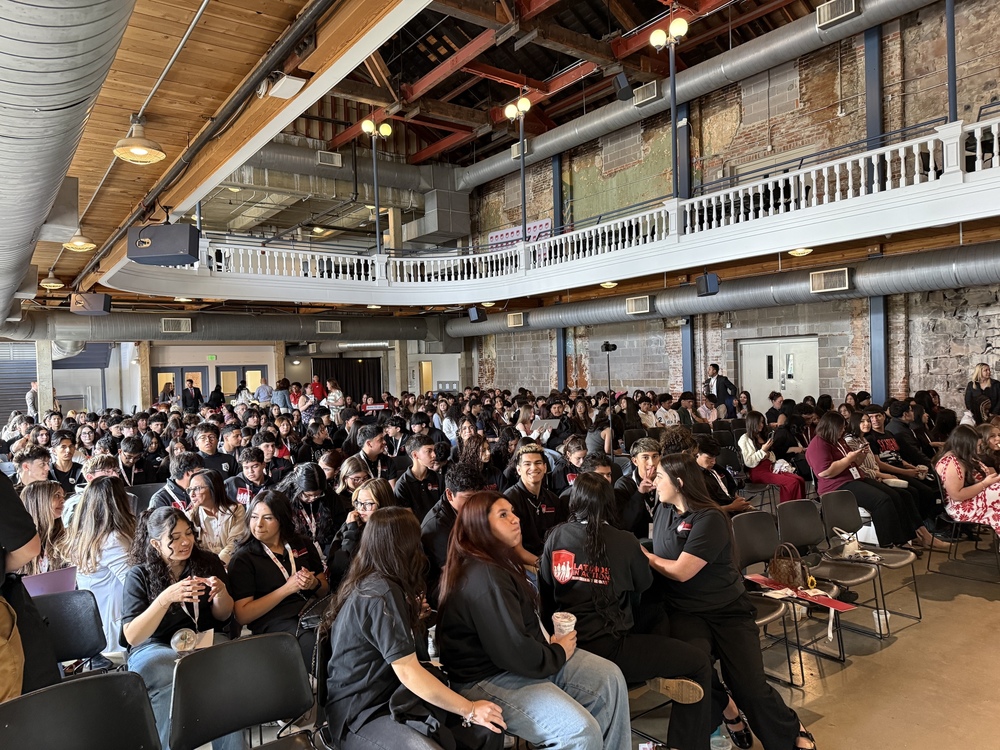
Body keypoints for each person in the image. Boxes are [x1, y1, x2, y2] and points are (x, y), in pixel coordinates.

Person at [643, 454, 816, 750]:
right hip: (685, 612)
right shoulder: (663, 509)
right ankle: (727, 714)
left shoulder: (710, 518)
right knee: (694, 680)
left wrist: (645, 556)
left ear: (680, 483)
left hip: (728, 611)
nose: (652, 480)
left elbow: (682, 571)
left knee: (749, 687)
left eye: (659, 476)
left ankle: (788, 732)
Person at [437, 490, 632, 750]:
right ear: (480, 526)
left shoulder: (499, 560)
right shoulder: (485, 576)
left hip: (522, 660)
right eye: (503, 515)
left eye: (513, 512)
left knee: (608, 677)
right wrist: (557, 652)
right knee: (579, 732)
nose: (515, 519)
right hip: (487, 678)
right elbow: (512, 650)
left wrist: (548, 648)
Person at [540, 472, 714, 750]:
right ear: (610, 504)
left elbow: (546, 595)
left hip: (565, 644)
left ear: (575, 502)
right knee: (699, 663)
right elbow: (643, 585)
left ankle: (657, 672)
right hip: (610, 648)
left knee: (655, 614)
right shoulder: (624, 541)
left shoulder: (556, 536)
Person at [323, 507, 505, 750]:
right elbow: (409, 672)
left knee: (488, 729)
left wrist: (413, 620)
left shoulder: (388, 584)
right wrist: (470, 709)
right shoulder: (379, 592)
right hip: (363, 712)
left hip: (396, 696)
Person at [122, 507, 243, 750]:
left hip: (203, 638)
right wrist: (165, 598)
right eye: (174, 538)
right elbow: (133, 636)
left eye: (188, 533)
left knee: (228, 669)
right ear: (156, 544)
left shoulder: (207, 562)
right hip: (155, 646)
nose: (186, 542)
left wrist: (220, 593)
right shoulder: (139, 574)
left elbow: (225, 614)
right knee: (165, 674)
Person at [806, 412, 941, 550]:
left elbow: (855, 463)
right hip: (837, 486)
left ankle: (906, 538)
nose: (843, 430)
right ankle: (888, 543)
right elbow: (826, 472)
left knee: (898, 495)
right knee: (882, 500)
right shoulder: (819, 444)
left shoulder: (838, 440)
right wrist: (849, 458)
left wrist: (860, 456)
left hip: (855, 477)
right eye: (840, 427)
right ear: (831, 427)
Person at [227, 491, 329, 666]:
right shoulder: (243, 558)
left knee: (344, 633)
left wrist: (314, 583)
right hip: (273, 620)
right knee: (316, 644)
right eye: (254, 517)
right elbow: (242, 615)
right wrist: (287, 589)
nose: (258, 525)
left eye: (268, 518)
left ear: (282, 520)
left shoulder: (301, 543)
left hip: (311, 610)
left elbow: (324, 589)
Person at [59, 475, 136, 654]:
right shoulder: (112, 540)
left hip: (96, 622)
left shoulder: (84, 535)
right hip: (116, 623)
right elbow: (134, 584)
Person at [326, 478, 395, 589]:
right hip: (351, 587)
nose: (361, 509)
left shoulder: (393, 530)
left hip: (380, 587)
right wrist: (351, 533)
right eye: (358, 503)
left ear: (382, 504)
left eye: (368, 504)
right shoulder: (350, 524)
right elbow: (337, 569)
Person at [935, 425, 1000, 534]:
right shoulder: (951, 462)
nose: (979, 449)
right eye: (977, 446)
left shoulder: (965, 457)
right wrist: (985, 483)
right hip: (961, 507)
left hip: (974, 498)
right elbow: (956, 495)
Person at [738, 412, 806, 504]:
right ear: (753, 423)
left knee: (799, 480)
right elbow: (749, 462)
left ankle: (800, 507)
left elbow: (772, 455)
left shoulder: (762, 436)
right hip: (757, 471)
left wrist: (768, 455)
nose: (762, 425)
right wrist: (762, 451)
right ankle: (787, 511)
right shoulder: (745, 439)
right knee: (791, 483)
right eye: (759, 423)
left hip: (771, 467)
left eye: (762, 422)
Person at [186, 468, 246, 565]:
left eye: (197, 489)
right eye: (190, 490)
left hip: (231, 563)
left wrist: (218, 565)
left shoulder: (235, 510)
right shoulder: (189, 516)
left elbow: (235, 543)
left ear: (213, 488)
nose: (191, 494)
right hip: (202, 566)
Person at [17, 480, 66, 575]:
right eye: (57, 495)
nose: (63, 500)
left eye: (63, 496)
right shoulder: (18, 539)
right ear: (39, 501)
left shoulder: (63, 536)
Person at [395, 434, 441, 520]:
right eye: (429, 451)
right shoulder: (402, 485)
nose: (434, 455)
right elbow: (408, 519)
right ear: (415, 455)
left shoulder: (439, 478)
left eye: (434, 451)